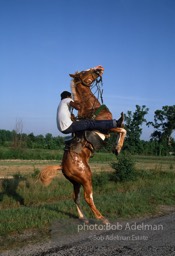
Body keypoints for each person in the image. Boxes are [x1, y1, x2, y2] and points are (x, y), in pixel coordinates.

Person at [56, 91, 121, 135]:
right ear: (68, 96)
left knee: (83, 123)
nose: (71, 98)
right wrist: (79, 102)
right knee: (89, 123)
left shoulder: (61, 103)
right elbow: (77, 107)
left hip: (62, 129)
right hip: (67, 127)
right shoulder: (67, 99)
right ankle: (115, 123)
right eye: (71, 97)